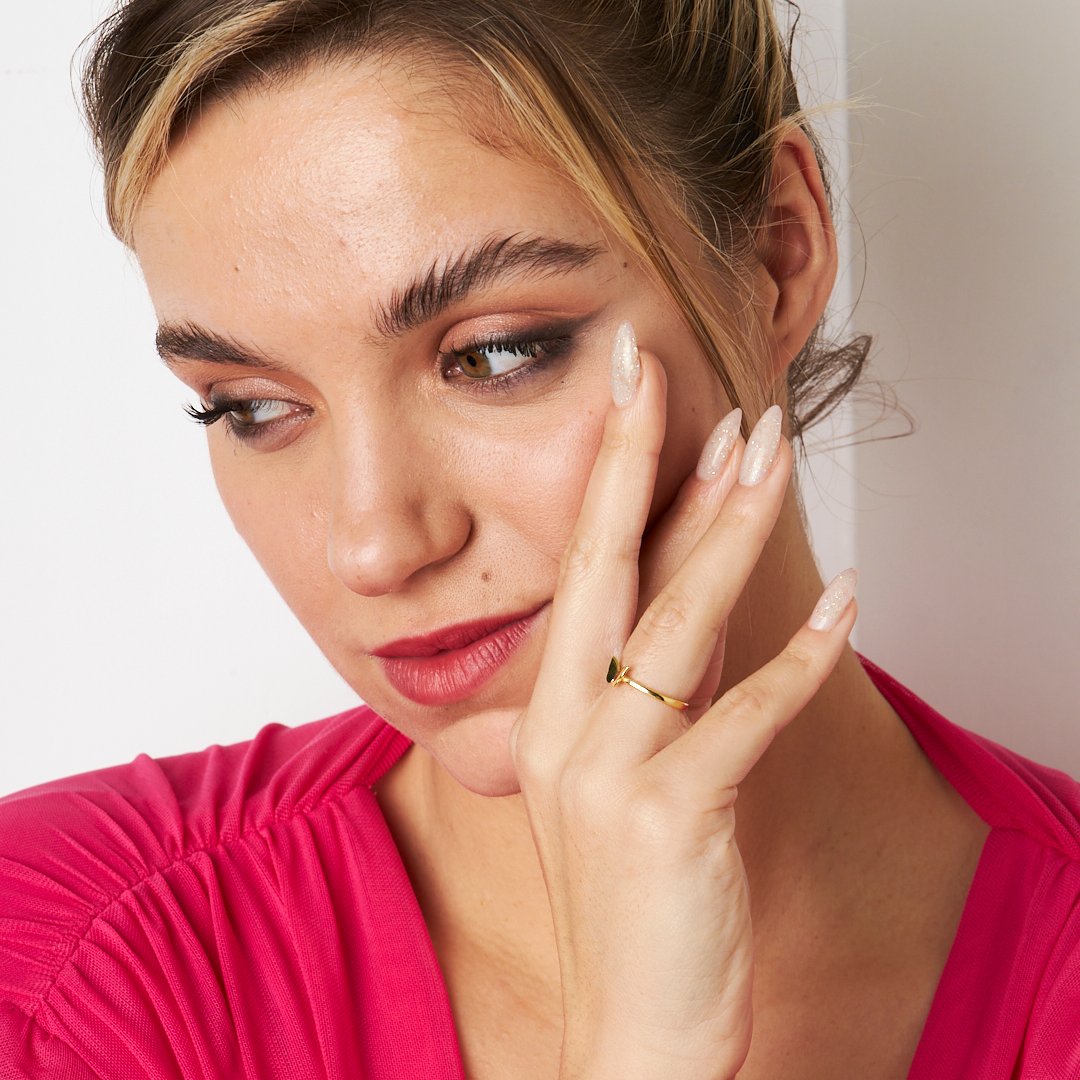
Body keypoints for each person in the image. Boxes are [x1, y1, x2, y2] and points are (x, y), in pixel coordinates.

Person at [1, 1, 1077, 1077]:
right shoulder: (61, 969)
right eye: (250, 406)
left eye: (496, 353)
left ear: (774, 258)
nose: (372, 546)